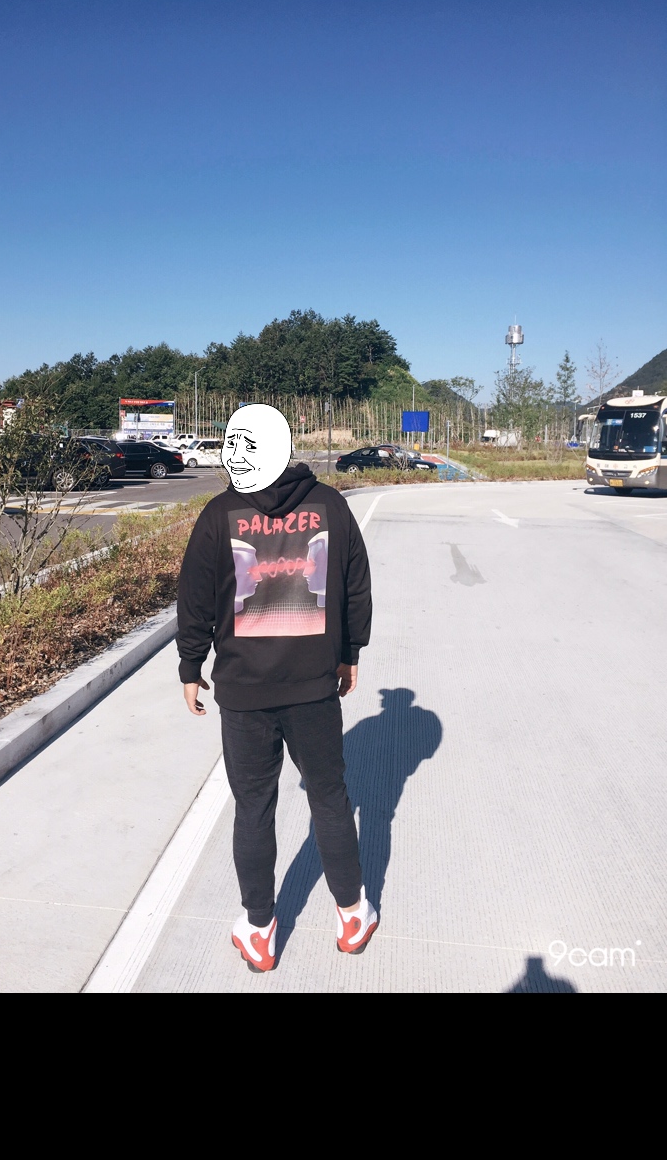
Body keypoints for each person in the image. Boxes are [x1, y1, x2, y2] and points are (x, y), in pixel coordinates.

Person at [177, 404, 377, 972]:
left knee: (254, 807)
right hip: (314, 685)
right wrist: (349, 654)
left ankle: (259, 929)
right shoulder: (330, 505)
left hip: (243, 691)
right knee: (331, 799)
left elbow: (195, 597)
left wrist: (191, 666)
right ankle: (352, 914)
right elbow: (355, 587)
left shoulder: (220, 514)